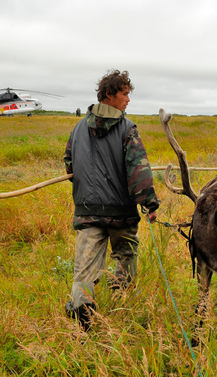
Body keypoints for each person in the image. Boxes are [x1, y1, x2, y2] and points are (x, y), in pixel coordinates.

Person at [64, 70, 160, 331]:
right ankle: (122, 307)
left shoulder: (77, 128)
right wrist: (149, 203)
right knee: (125, 256)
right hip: (122, 214)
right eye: (125, 94)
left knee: (84, 270)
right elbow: (139, 171)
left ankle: (82, 323)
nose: (128, 100)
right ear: (109, 94)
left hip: (86, 213)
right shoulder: (128, 129)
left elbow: (69, 165)